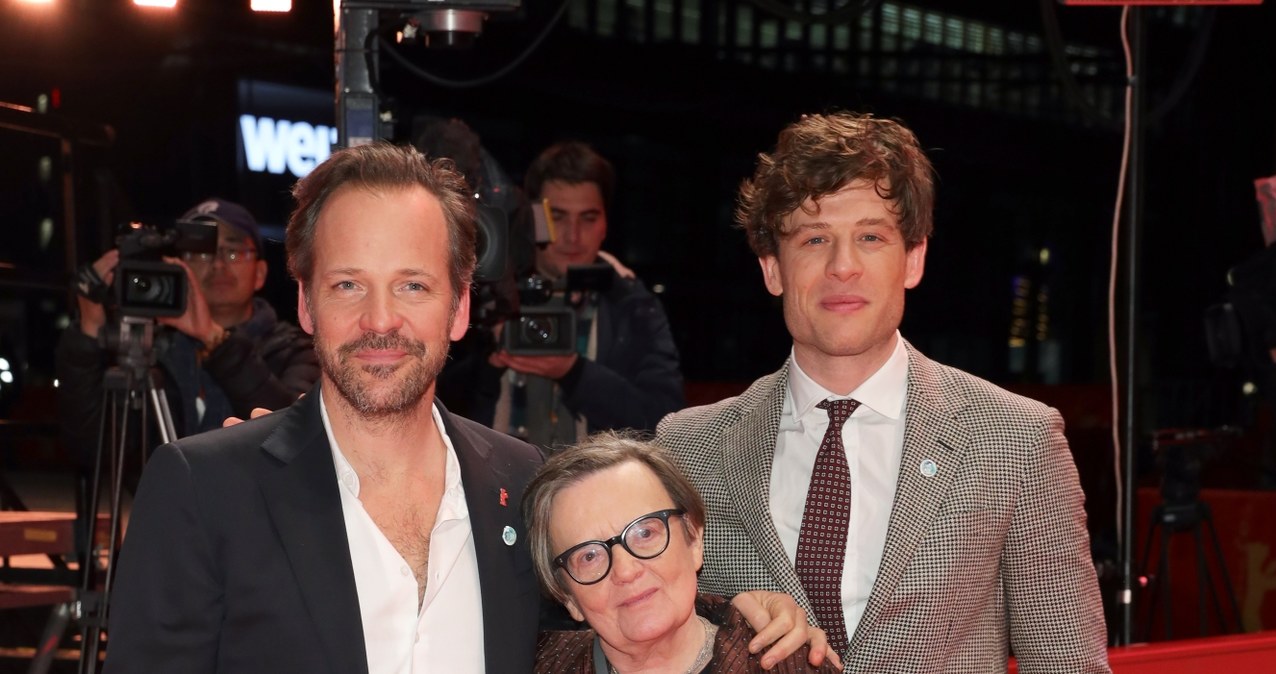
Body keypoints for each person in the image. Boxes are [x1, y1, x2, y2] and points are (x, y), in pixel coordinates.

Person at [104, 143, 821, 673]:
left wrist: (740, 616)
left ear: (459, 308)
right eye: (349, 285)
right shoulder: (204, 488)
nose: (379, 320)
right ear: (305, 303)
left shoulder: (522, 480)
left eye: (412, 286)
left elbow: (617, 615)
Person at [656, 112, 1112, 673]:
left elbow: (1067, 663)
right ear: (773, 268)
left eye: (870, 237)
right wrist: (720, 612)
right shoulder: (687, 448)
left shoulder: (1017, 440)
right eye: (814, 238)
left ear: (913, 259)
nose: (842, 267)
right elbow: (644, 641)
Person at [526, 431, 843, 673]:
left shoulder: (789, 664)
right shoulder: (531, 664)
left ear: (693, 541)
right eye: (589, 556)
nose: (626, 571)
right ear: (567, 596)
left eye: (645, 532)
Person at [55, 197, 319, 468]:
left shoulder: (295, 349)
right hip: (165, 507)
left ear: (260, 273)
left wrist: (213, 338)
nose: (217, 264)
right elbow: (94, 451)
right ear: (178, 266)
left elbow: (294, 439)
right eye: (202, 252)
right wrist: (88, 332)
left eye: (232, 252)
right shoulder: (153, 349)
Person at [466, 141, 685, 450]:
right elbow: (442, 408)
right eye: (557, 216)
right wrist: (488, 365)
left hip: (597, 491)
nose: (572, 235)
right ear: (535, 219)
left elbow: (665, 422)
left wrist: (575, 373)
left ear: (605, 224)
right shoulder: (488, 290)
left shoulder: (632, 305)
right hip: (501, 488)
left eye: (588, 218)